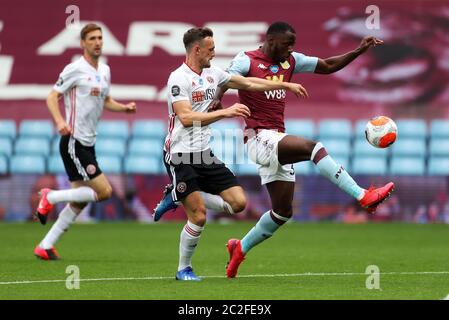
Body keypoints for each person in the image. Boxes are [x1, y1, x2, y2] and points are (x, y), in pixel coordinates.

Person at [211, 21, 395, 278]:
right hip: (257, 138)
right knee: (313, 147)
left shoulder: (292, 61)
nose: (290, 50)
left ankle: (240, 247)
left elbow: (328, 65)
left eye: (292, 46)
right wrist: (218, 97)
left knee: (282, 212)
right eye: (287, 45)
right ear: (271, 41)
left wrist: (358, 51)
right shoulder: (247, 59)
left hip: (275, 140)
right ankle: (363, 196)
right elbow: (227, 79)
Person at [157, 27, 308, 281]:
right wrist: (225, 113)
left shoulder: (214, 74)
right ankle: (184, 268)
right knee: (199, 216)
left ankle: (177, 194)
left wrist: (284, 84)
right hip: (180, 154)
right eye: (211, 49)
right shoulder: (178, 78)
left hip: (204, 154)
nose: (214, 54)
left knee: (238, 204)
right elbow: (185, 118)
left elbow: (248, 82)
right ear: (197, 49)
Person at [33, 23, 137, 260]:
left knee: (79, 200)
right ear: (83, 43)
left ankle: (45, 245)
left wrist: (123, 108)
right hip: (74, 142)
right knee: (104, 192)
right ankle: (50, 197)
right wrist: (60, 122)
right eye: (92, 38)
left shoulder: (105, 71)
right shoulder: (74, 69)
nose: (97, 42)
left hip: (88, 143)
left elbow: (106, 99)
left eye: (100, 37)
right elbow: (52, 97)